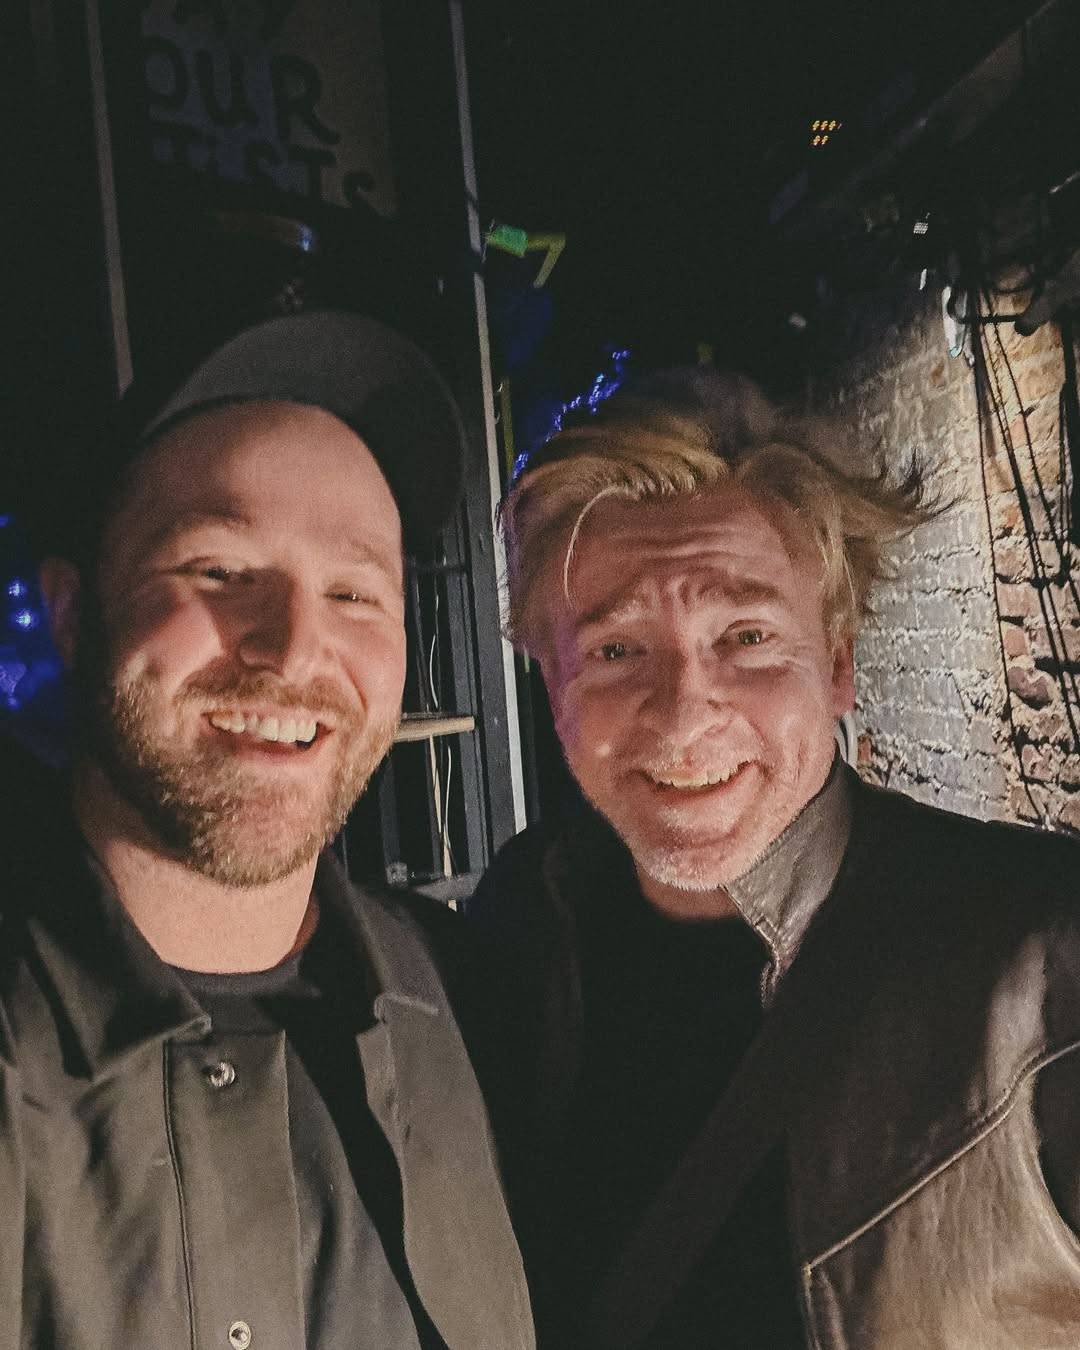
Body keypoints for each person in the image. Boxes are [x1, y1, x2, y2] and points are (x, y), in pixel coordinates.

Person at [469, 370, 1080, 1349]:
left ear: (836, 663)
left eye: (747, 636)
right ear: (552, 683)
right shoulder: (513, 930)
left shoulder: (1048, 966)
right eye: (619, 650)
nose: (683, 716)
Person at [0, 311, 534, 1350]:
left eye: (353, 592)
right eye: (219, 571)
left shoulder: (479, 1015)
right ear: (71, 613)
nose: (295, 648)